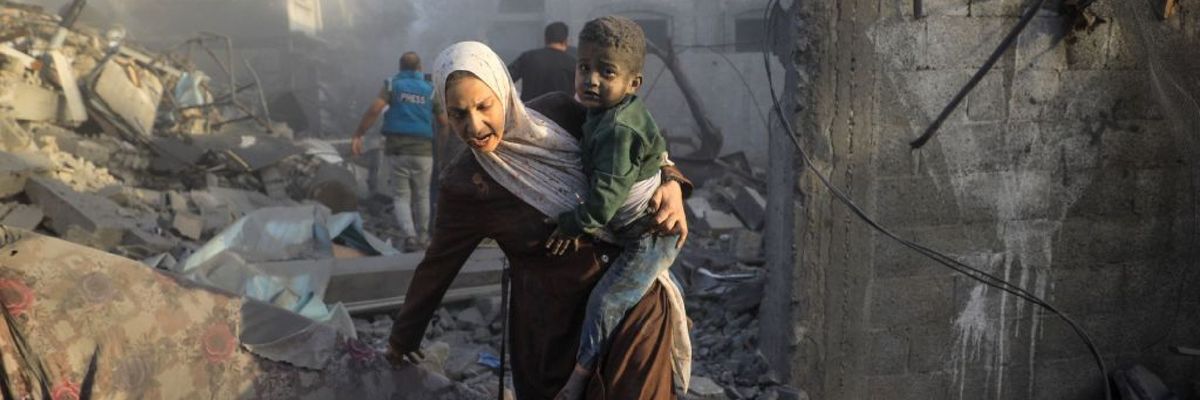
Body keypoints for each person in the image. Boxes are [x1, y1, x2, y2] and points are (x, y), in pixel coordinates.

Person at [386, 41, 693, 399]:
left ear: (504, 91)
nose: (474, 125)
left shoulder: (560, 115)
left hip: (631, 305)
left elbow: (632, 142)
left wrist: (671, 178)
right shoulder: (468, 185)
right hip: (553, 334)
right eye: (458, 114)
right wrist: (400, 341)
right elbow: (436, 267)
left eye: (484, 106)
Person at [545, 16, 683, 400]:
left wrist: (571, 225)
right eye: (584, 68)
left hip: (647, 236)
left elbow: (605, 202)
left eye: (607, 73)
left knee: (605, 302)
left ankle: (578, 377)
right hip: (635, 226)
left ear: (633, 84)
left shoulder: (619, 129)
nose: (591, 80)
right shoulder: (599, 112)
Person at [351, 52, 445, 252]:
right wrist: (441, 148)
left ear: (400, 68)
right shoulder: (430, 90)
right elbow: (443, 122)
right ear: (419, 68)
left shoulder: (393, 85)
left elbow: (376, 108)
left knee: (401, 196)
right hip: (424, 151)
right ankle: (424, 237)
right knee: (422, 195)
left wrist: (359, 134)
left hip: (397, 150)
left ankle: (410, 237)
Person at [508, 22, 576, 102]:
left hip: (530, 111)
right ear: (566, 41)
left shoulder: (528, 58)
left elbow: (505, 77)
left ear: (545, 39)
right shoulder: (573, 63)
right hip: (562, 112)